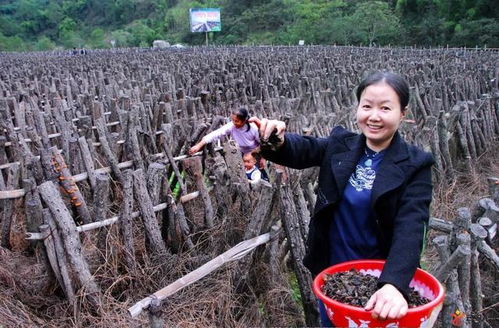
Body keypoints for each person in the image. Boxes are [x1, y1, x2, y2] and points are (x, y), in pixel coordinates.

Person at [249, 72, 434, 326]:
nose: (374, 116)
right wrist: (276, 139)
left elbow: (411, 227)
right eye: (367, 106)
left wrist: (393, 284)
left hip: (379, 280)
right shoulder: (341, 145)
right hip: (333, 276)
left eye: (385, 108)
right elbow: (303, 149)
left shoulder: (415, 164)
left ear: (402, 113)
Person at [188, 107, 260, 155]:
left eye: (237, 121)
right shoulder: (231, 126)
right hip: (241, 153)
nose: (234, 123)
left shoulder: (253, 128)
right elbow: (216, 134)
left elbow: (262, 144)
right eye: (232, 120)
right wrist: (199, 145)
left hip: (256, 153)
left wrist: (260, 157)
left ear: (244, 120)